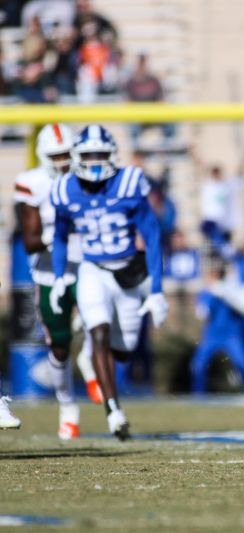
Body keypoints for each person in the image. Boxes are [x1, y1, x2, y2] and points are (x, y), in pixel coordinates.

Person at [50, 125, 168, 440]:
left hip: (127, 272)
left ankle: (93, 353)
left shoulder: (129, 182)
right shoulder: (64, 189)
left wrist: (157, 290)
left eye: (100, 154)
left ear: (112, 155)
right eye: (88, 155)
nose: (94, 161)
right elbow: (60, 236)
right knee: (99, 331)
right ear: (77, 156)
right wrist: (60, 275)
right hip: (92, 269)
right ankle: (113, 411)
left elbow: (152, 234)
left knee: (124, 348)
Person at [14, 124, 101, 440]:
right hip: (51, 272)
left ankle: (89, 362)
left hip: (87, 267)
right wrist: (60, 236)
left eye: (67, 154)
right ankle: (68, 408)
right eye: (57, 155)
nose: (64, 161)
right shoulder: (32, 183)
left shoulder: (88, 177)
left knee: (101, 321)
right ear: (43, 155)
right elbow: (31, 240)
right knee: (59, 344)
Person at [191, 262, 244, 394]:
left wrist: (224, 293)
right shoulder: (205, 293)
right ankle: (198, 396)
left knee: (243, 364)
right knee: (198, 365)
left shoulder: (230, 289)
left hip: (232, 335)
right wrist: (211, 295)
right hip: (212, 335)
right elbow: (201, 314)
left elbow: (243, 307)